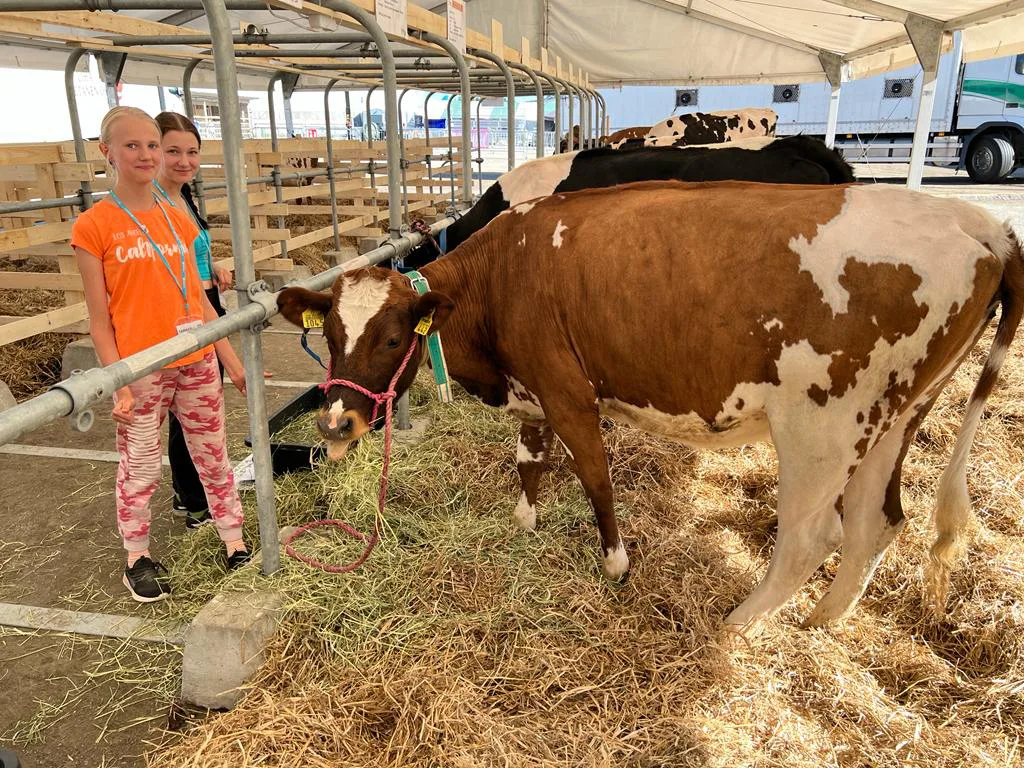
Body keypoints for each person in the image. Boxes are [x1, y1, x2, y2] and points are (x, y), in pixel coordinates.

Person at [71, 106, 250, 603]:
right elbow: (99, 317)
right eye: (132, 145)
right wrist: (118, 379)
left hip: (194, 356)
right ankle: (137, 556)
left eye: (152, 145)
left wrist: (230, 361)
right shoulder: (94, 226)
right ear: (106, 152)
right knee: (141, 463)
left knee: (213, 452)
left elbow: (196, 298)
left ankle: (233, 541)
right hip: (141, 365)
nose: (146, 154)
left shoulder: (178, 219)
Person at [154, 111, 233, 530]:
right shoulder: (154, 202)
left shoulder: (181, 195)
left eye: (192, 151)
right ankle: (194, 499)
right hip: (184, 312)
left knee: (197, 405)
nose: (185, 161)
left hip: (205, 299)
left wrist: (214, 266)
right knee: (190, 408)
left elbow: (191, 252)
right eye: (173, 151)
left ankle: (189, 493)